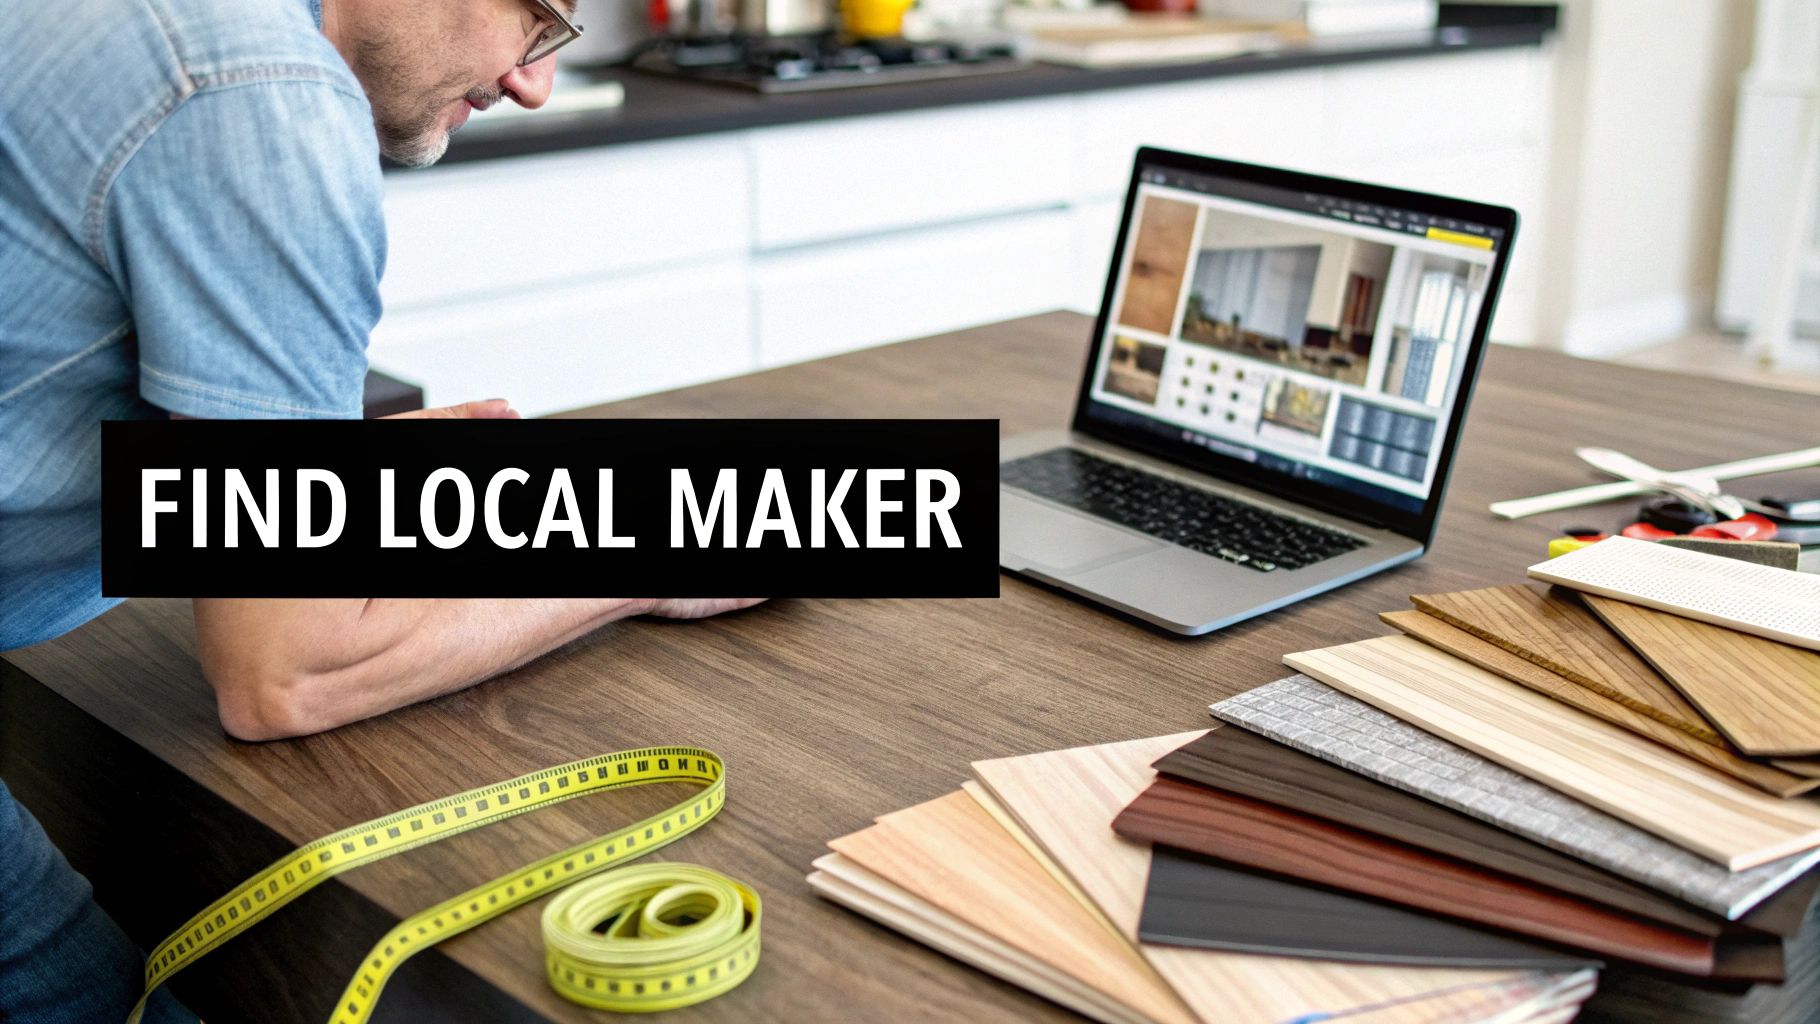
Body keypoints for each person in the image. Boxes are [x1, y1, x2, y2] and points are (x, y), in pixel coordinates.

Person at [0, 0, 758, 1017]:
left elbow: (33, 384)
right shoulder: (260, 92)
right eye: (539, 19)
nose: (533, 81)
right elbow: (284, 675)